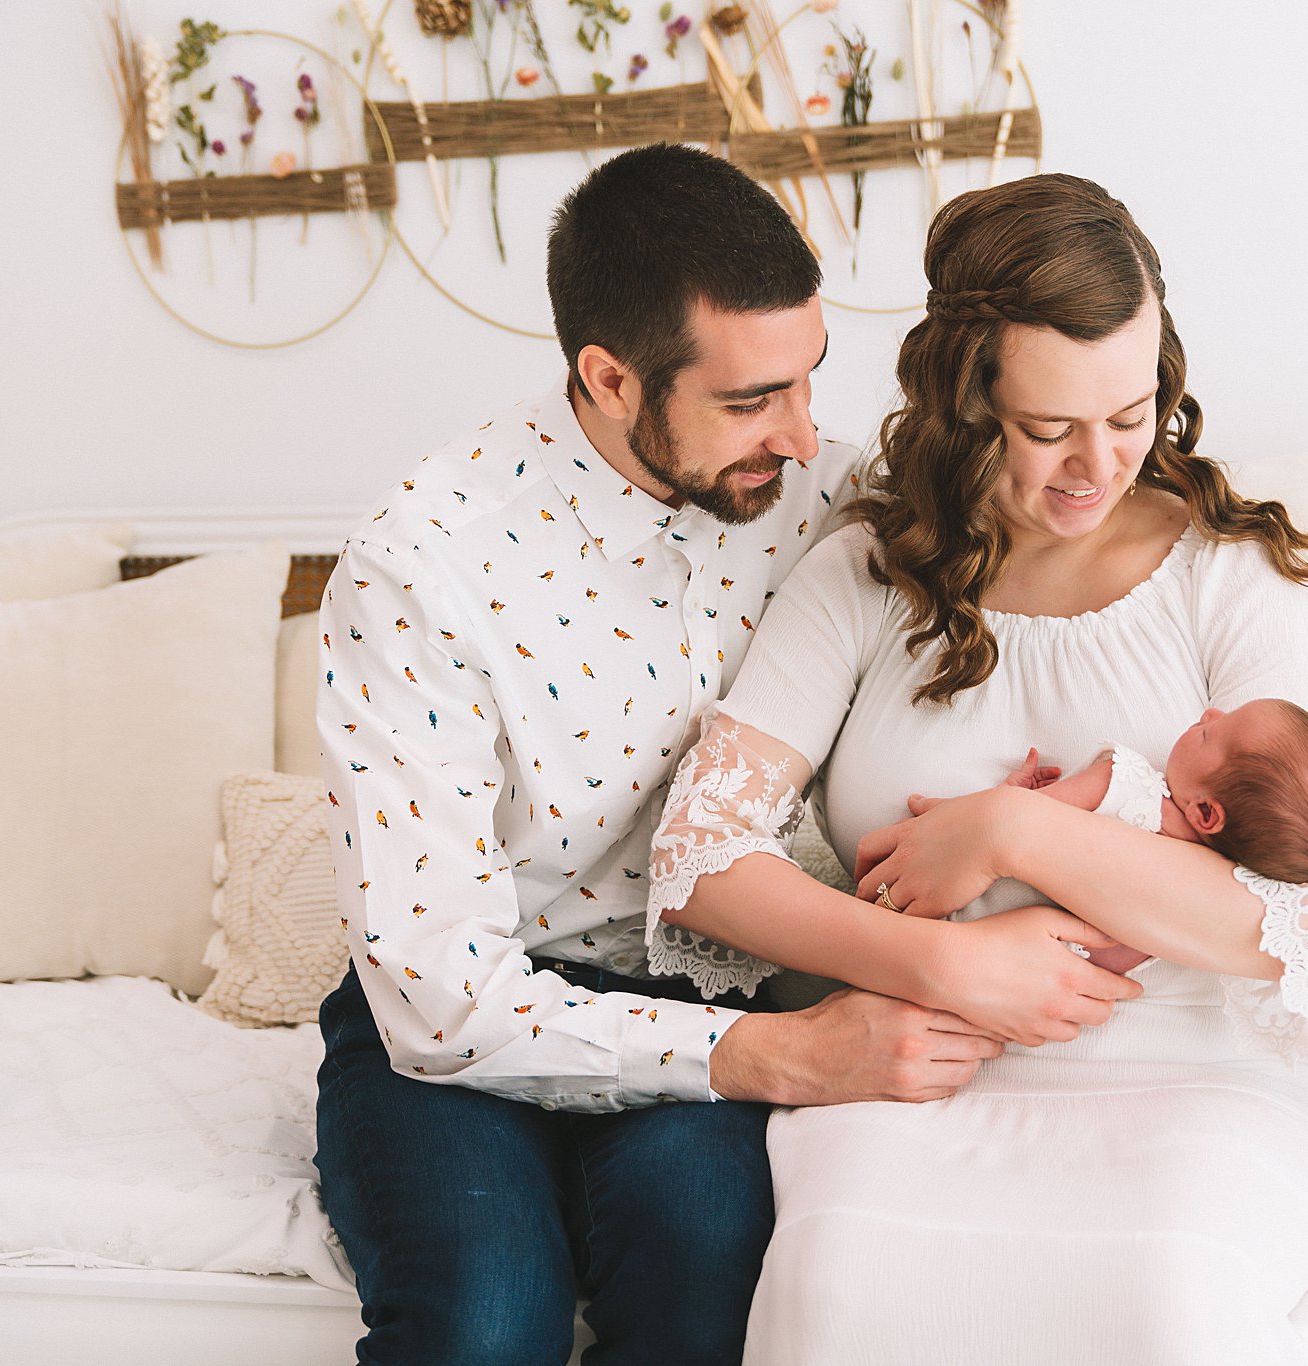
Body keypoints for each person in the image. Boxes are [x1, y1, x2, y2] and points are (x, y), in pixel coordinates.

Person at [311, 145, 1130, 1365]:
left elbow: (1024, 590)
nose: (804, 437)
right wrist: (781, 1053)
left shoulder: (838, 498)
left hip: (713, 982)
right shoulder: (420, 570)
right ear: (608, 378)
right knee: (483, 1326)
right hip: (471, 1031)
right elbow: (437, 1000)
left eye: (809, 381)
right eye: (752, 401)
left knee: (713, 1297)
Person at [647, 172, 1308, 1363]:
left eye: (1130, 414)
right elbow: (696, 866)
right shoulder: (862, 579)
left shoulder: (1222, 578)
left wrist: (1013, 832)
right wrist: (938, 958)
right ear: (965, 402)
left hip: (1189, 1084)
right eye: (1049, 429)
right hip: (913, 1069)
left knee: (1162, 1305)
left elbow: (1307, 917)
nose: (1097, 465)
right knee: (839, 1299)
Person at [989, 699, 1308, 973]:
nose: (1209, 713)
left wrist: (1007, 794)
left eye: (1209, 734)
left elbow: (990, 822)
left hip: (966, 886)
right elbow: (1083, 968)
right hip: (1003, 963)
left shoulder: (1122, 784)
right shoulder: (1165, 932)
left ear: (1205, 812)